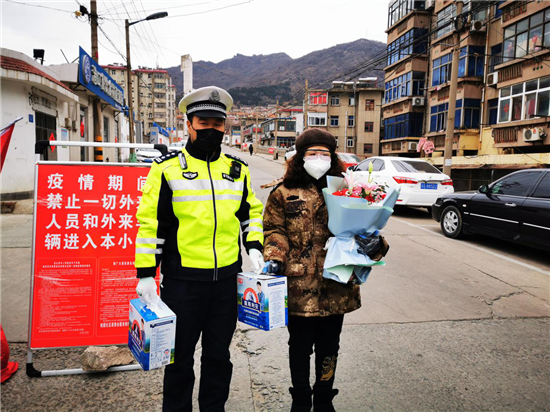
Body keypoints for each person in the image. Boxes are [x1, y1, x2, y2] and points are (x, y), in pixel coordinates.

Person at [134, 85, 265, 412]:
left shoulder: (238, 170)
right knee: (178, 363)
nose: (211, 129)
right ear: (188, 124)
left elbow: (251, 213)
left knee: (219, 357)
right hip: (182, 285)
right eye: (203, 122)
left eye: (217, 124)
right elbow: (152, 225)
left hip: (226, 284)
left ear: (225, 126)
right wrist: (147, 274)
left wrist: (255, 247)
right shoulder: (166, 169)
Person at [262, 129, 388, 412]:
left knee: (330, 347)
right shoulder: (283, 192)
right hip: (299, 285)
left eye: (324, 153)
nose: (319, 158)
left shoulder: (349, 188)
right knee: (299, 347)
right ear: (300, 157)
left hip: (337, 283)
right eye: (312, 153)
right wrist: (274, 256)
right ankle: (301, 397)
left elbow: (369, 227)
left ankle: (323, 396)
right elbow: (273, 229)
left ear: (333, 157)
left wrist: (374, 243)